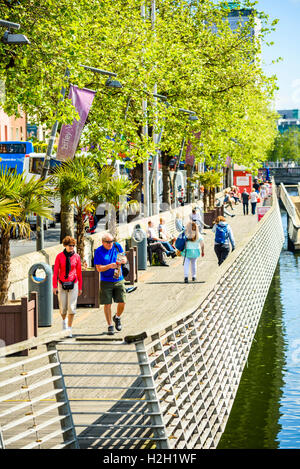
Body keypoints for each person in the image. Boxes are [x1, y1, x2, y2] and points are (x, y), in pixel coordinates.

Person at [94, 234, 127, 335]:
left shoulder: (117, 246)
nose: (110, 244)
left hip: (118, 278)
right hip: (106, 281)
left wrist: (122, 261)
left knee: (122, 301)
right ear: (103, 242)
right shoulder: (98, 251)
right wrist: (109, 266)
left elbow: (124, 259)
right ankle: (110, 325)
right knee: (107, 304)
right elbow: (99, 268)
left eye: (111, 241)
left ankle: (117, 317)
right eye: (108, 242)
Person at [53, 236, 83, 337]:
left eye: (73, 246)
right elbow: (55, 272)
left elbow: (79, 272)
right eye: (70, 245)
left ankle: (69, 328)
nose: (72, 247)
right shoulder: (59, 256)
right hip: (61, 284)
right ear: (65, 245)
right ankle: (64, 321)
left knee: (72, 307)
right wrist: (54, 286)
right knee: (63, 307)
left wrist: (80, 287)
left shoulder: (77, 257)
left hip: (73, 283)